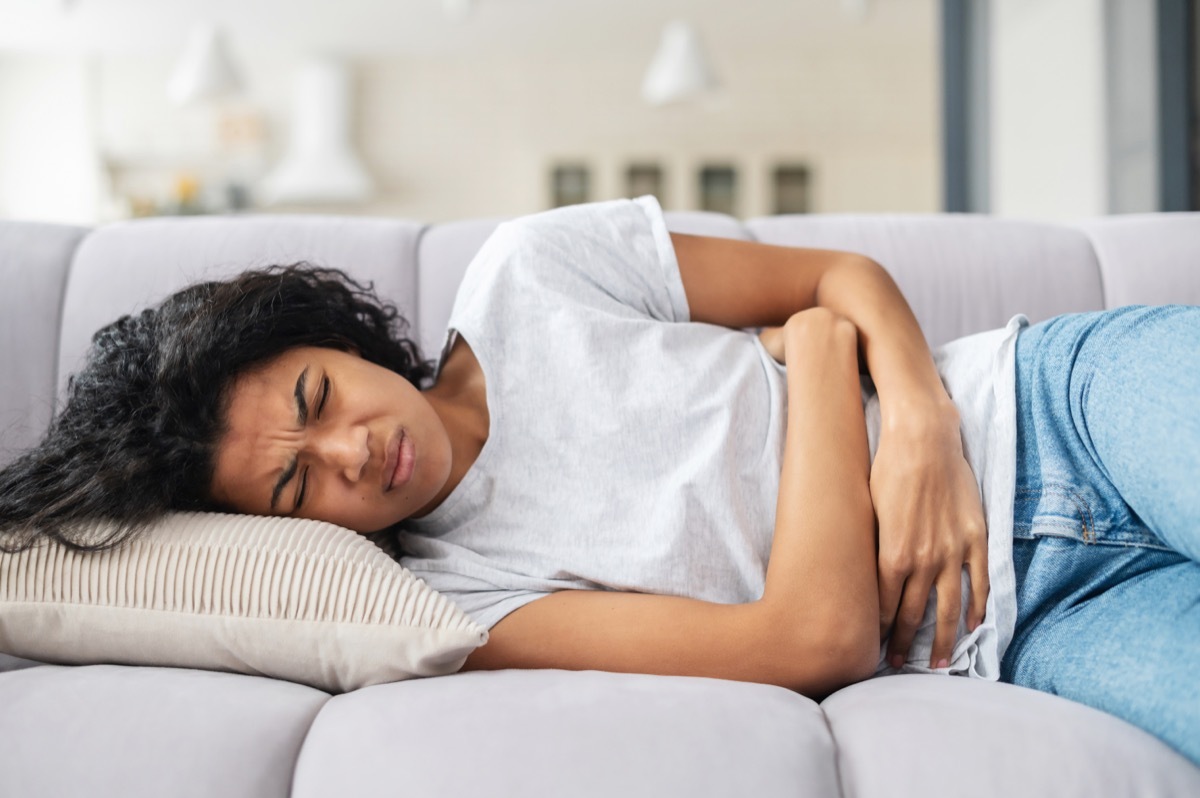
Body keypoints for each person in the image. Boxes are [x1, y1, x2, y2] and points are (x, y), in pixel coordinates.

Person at [0, 197, 1196, 766]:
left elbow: (840, 270)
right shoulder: (470, 603)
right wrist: (827, 366)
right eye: (294, 492)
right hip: (1022, 625)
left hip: (1048, 399)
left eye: (315, 401)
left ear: (339, 338)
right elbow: (818, 636)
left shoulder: (532, 271)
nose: (353, 452)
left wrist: (924, 420)